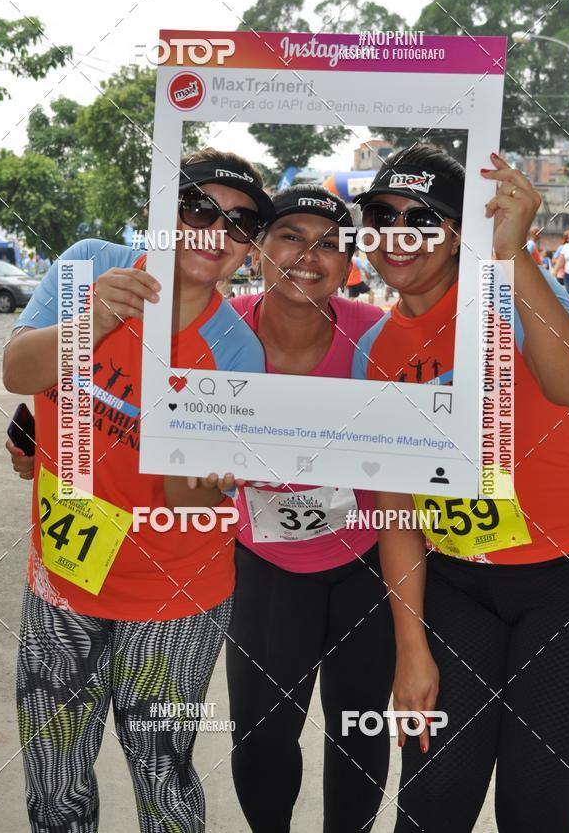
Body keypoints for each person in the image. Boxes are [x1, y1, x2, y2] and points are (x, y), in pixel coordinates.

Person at [3, 148, 273, 833]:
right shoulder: (91, 263)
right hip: (63, 570)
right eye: (199, 208)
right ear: (164, 209)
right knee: (54, 774)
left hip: (176, 590)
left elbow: (186, 495)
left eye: (241, 223)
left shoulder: (237, 348)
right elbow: (15, 370)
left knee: (164, 770)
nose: (217, 232)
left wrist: (210, 484)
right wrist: (91, 325)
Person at [352, 145, 569, 833]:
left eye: (424, 218)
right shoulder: (378, 352)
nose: (400, 233)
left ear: (459, 232)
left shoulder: (503, 291)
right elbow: (394, 511)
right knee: (432, 800)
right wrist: (410, 647)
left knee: (536, 802)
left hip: (564, 580)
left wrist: (515, 255)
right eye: (382, 214)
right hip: (456, 584)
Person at [164, 185, 396, 833]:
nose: (308, 254)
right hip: (261, 566)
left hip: (366, 564)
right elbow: (163, 449)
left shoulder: (376, 334)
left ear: (351, 265)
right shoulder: (217, 329)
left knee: (359, 729)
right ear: (259, 248)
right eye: (290, 235)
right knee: (262, 736)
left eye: (329, 244)